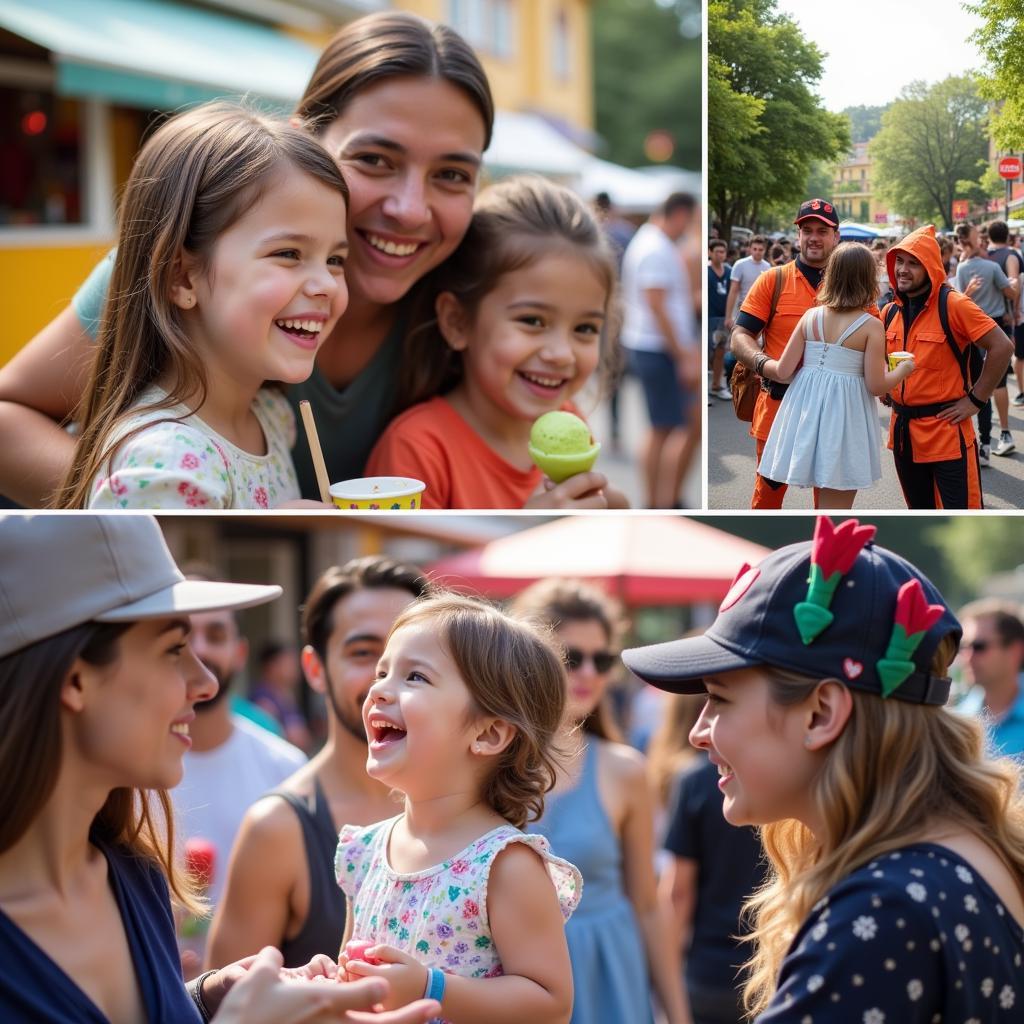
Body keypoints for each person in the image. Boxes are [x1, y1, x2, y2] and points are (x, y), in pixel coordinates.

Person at [0, 12, 493, 508]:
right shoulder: (183, 260)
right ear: (305, 142)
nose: (409, 210)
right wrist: (173, 499)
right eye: (375, 160)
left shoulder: (476, 303)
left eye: (451, 174)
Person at [0, 514, 441, 1024]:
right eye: (173, 650)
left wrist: (206, 997)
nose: (206, 680)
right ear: (75, 679)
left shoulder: (133, 873)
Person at [622, 515, 1024, 1022]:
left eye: (720, 699)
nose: (697, 732)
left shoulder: (881, 912)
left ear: (822, 714)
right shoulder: (965, 852)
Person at [53, 103, 348, 509]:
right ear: (183, 278)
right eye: (289, 253)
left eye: (336, 260)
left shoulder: (271, 417)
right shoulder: (162, 463)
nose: (326, 285)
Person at [336, 593, 582, 1022]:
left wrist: (431, 987)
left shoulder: (504, 865)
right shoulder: (365, 850)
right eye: (382, 671)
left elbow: (551, 1003)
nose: (378, 689)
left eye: (414, 677)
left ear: (488, 734)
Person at [208, 556, 429, 969]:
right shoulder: (278, 828)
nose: (387, 682)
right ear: (315, 668)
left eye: (412, 660)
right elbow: (230, 1005)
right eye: (364, 653)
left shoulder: (474, 805)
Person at [365, 176, 627, 510]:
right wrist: (533, 530)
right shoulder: (415, 450)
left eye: (586, 328)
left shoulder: (570, 418)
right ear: (457, 322)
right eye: (532, 321)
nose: (561, 354)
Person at [512, 579, 689, 1024]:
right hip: (517, 980)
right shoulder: (487, 765)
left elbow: (648, 905)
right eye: (571, 658)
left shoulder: (625, 769)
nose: (588, 672)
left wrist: (677, 1015)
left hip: (608, 975)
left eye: (603, 659)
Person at [174, 598, 307, 972]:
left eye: (215, 635)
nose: (199, 649)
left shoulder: (285, 768)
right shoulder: (126, 772)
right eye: (182, 638)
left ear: (239, 652)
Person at [757, 242, 915, 508]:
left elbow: (783, 371)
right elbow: (876, 385)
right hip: (845, 416)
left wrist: (758, 364)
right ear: (868, 279)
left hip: (803, 412)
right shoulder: (871, 326)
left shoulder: (810, 316)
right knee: (834, 504)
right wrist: (903, 370)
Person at [882, 225, 1013, 509]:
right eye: (899, 262)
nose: (903, 270)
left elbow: (1002, 346)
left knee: (963, 518)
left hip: (947, 436)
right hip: (903, 435)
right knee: (919, 516)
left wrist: (976, 400)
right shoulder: (890, 311)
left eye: (913, 263)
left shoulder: (954, 304)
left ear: (930, 267)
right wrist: (886, 386)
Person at [730, 199, 843, 510]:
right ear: (798, 235)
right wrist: (766, 365)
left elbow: (876, 340)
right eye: (807, 230)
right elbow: (740, 336)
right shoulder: (773, 279)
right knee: (766, 499)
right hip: (778, 407)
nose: (814, 237)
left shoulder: (851, 285)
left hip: (831, 412)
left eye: (822, 230)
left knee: (830, 505)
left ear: (837, 236)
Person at [620, 193, 700, 508]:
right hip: (657, 348)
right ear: (678, 214)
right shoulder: (654, 247)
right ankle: (657, 501)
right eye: (691, 219)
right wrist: (682, 355)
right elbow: (657, 306)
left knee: (669, 427)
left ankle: (663, 499)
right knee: (662, 429)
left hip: (656, 346)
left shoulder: (653, 242)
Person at [955, 222, 1017, 461]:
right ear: (976, 239)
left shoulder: (961, 269)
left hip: (971, 331)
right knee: (994, 386)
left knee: (975, 386)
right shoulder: (992, 267)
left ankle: (979, 444)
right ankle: (990, 440)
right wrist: (1014, 286)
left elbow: (958, 300)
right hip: (995, 329)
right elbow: (1010, 293)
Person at [956, 598, 1024, 760]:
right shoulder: (957, 721)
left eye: (979, 646)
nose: (967, 656)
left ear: (1015, 650)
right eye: (963, 647)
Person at [249, 642, 312, 751]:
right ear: (272, 666)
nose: (295, 668)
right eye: (289, 663)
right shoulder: (263, 702)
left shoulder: (286, 695)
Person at [723, 235, 770, 331]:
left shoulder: (767, 266)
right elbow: (733, 291)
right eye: (755, 249)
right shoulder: (740, 264)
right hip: (741, 309)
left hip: (760, 310)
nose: (757, 252)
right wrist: (728, 317)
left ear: (765, 250)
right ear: (750, 249)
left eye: (760, 249)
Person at [707, 240, 732, 401]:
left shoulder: (729, 271)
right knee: (705, 353)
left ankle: (716, 385)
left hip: (723, 318)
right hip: (708, 317)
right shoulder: (705, 270)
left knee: (720, 352)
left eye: (723, 252)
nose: (720, 255)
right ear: (710, 252)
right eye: (717, 251)